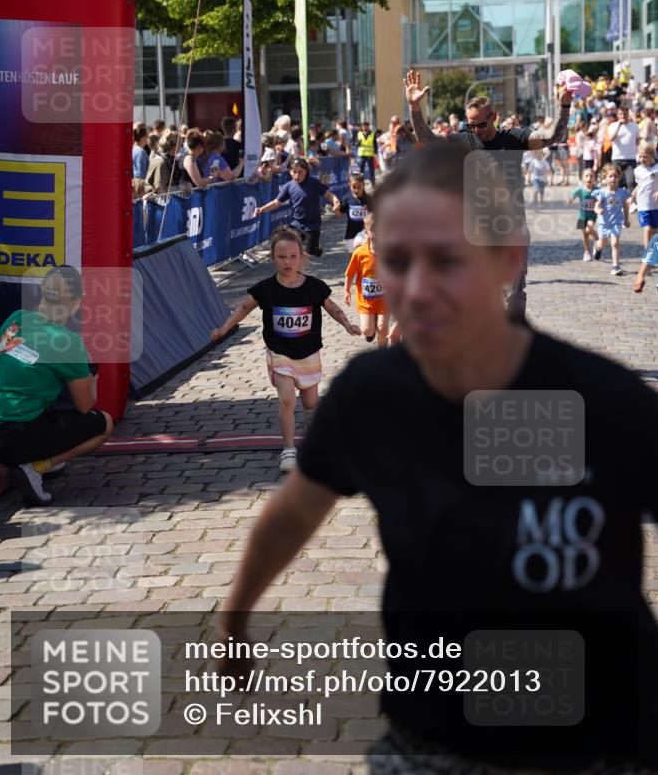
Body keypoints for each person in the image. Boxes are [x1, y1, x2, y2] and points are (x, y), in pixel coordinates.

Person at [219, 142, 658, 775]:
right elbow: (293, 513)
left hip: (607, 743)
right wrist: (235, 618)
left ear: (509, 259)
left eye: (447, 260)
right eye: (397, 261)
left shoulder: (603, 401)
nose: (417, 289)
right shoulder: (372, 397)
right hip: (434, 741)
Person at [403, 68, 573, 322]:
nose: (476, 130)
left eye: (481, 124)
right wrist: (415, 108)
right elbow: (428, 140)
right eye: (470, 125)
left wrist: (564, 106)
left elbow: (552, 136)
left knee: (514, 294)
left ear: (493, 116)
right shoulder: (464, 141)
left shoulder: (514, 138)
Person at [209, 227, 360, 472]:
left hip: (308, 352)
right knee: (287, 398)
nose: (287, 262)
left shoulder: (314, 286)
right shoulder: (266, 289)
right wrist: (224, 329)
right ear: (272, 258)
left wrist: (346, 323)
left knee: (311, 403)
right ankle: (288, 450)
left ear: (301, 257)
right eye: (281, 257)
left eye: (292, 256)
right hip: (280, 352)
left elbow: (332, 308)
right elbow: (243, 308)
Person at [0, 266, 113, 506]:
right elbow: (84, 406)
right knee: (104, 423)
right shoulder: (68, 342)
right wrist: (92, 377)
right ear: (78, 301)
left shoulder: (15, 318)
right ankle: (36, 467)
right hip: (15, 433)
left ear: (42, 292)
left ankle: (37, 459)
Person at [254, 157, 340, 258]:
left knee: (307, 255)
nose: (297, 175)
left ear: (306, 171)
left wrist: (335, 201)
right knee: (295, 254)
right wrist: (262, 209)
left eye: (300, 172)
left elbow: (328, 194)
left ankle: (314, 247)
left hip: (312, 225)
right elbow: (277, 202)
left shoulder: (313, 183)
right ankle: (298, 271)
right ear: (290, 172)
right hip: (297, 224)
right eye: (294, 172)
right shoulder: (289, 186)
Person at [344, 213, 388, 347]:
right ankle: (371, 324)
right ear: (367, 232)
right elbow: (350, 273)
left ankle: (383, 355)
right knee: (367, 330)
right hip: (366, 299)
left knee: (382, 328)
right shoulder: (359, 253)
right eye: (373, 230)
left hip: (385, 298)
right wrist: (346, 290)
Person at [592, 163, 631, 275]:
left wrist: (626, 220)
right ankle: (598, 248)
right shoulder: (602, 193)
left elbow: (625, 206)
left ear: (619, 178)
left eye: (615, 176)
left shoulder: (622, 193)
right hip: (604, 223)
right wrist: (598, 210)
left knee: (615, 243)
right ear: (605, 177)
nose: (613, 178)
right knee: (602, 243)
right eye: (610, 176)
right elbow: (596, 206)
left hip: (616, 222)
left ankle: (615, 266)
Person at [335, 170, 371, 251]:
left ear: (363, 185)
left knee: (363, 254)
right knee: (353, 257)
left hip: (365, 233)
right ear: (349, 185)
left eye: (359, 187)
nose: (356, 190)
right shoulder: (347, 199)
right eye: (354, 187)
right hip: (351, 233)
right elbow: (340, 214)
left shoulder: (369, 199)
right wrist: (336, 210)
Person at [567, 168, 598, 261]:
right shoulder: (580, 189)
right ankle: (587, 252)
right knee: (585, 235)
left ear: (594, 178)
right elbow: (572, 196)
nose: (589, 178)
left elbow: (603, 197)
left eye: (591, 176)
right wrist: (570, 199)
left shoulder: (597, 190)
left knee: (589, 229)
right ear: (583, 178)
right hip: (582, 215)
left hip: (592, 215)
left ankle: (597, 238)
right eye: (587, 176)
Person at [631, 141, 658, 248]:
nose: (642, 159)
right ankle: (648, 254)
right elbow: (639, 185)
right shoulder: (637, 170)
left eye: (645, 157)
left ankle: (654, 252)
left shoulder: (657, 169)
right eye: (640, 156)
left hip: (655, 205)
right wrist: (632, 196)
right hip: (643, 205)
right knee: (647, 229)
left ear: (652, 156)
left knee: (655, 231)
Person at [608, 103, 640, 190]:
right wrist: (619, 125)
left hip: (631, 158)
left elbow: (638, 141)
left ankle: (630, 202)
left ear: (628, 114)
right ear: (618, 115)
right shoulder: (613, 125)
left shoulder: (634, 126)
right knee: (617, 182)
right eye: (621, 114)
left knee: (631, 182)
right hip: (617, 158)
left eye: (625, 114)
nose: (623, 116)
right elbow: (611, 138)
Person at [356, 120, 378, 186]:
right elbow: (356, 144)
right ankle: (361, 183)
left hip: (369, 155)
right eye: (364, 126)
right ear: (362, 127)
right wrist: (358, 143)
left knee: (371, 169)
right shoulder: (359, 134)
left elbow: (375, 144)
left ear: (368, 127)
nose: (365, 128)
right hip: (362, 155)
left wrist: (375, 153)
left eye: (366, 126)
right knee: (361, 170)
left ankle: (373, 182)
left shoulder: (372, 134)